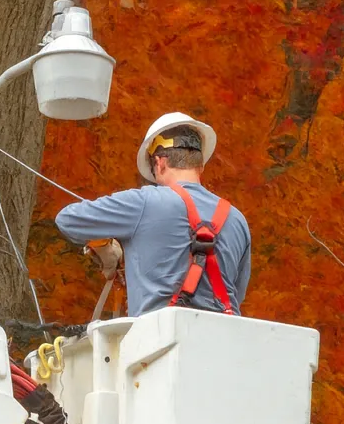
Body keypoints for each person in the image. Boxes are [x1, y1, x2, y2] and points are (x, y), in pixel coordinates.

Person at [54, 112, 252, 317]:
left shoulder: (144, 202)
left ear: (159, 163)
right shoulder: (237, 219)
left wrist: (103, 245)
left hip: (158, 342)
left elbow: (68, 220)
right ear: (200, 165)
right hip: (224, 341)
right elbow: (237, 294)